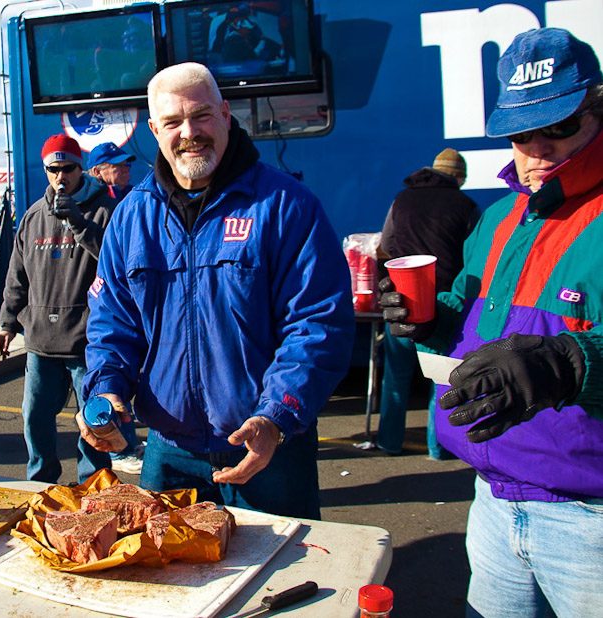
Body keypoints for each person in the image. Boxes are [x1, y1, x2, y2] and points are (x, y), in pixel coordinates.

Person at [381, 28, 603, 617]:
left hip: (591, 521)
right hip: (491, 503)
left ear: (595, 110)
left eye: (556, 126)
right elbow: (464, 313)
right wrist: (423, 319)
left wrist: (572, 361)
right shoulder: (499, 216)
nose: (536, 150)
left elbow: (568, 358)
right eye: (520, 133)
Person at [78, 62, 354, 519]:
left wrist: (277, 416)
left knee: (281, 583)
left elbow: (317, 323)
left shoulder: (286, 205)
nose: (190, 132)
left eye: (202, 115)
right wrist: (107, 389)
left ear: (226, 114)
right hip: (169, 453)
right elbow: (112, 325)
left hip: (270, 449)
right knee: (165, 585)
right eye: (172, 122)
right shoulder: (131, 218)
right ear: (153, 129)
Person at [0, 134, 114, 485]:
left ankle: (96, 489)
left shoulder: (104, 211)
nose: (61, 176)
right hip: (41, 343)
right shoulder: (32, 217)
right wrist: (7, 324)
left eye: (68, 168)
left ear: (81, 169)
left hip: (86, 342)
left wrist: (81, 225)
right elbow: (18, 276)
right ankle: (41, 486)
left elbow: (116, 263)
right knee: (36, 419)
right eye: (53, 169)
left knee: (93, 423)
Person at [375, 148, 478, 458]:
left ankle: (389, 442)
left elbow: (387, 244)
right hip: (444, 305)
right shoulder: (466, 205)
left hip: (401, 302)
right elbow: (476, 255)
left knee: (396, 376)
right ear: (458, 177)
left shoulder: (402, 199)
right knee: (441, 378)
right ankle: (439, 446)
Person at [86, 141, 145, 474]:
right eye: (116, 165)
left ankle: (125, 445)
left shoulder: (137, 199)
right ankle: (118, 452)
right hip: (100, 312)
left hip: (126, 310)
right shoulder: (98, 206)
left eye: (126, 164)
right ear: (97, 171)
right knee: (105, 389)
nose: (125, 169)